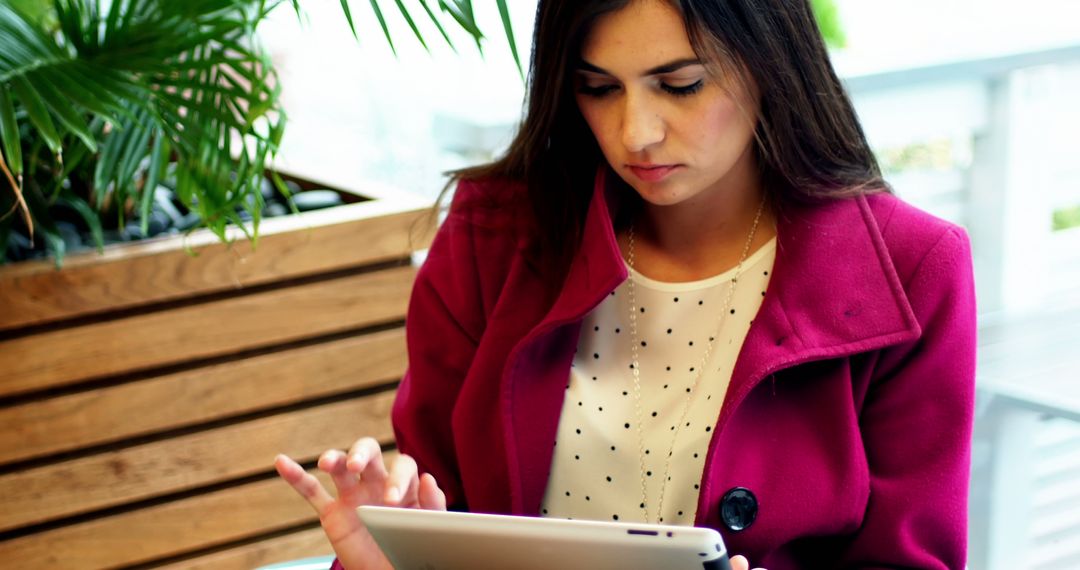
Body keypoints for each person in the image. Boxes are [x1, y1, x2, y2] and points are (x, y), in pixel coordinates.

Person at [274, 0, 977, 568]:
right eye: (598, 87)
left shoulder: (915, 270)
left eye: (681, 85)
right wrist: (380, 556)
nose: (634, 132)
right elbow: (436, 513)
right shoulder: (492, 239)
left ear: (773, 63)